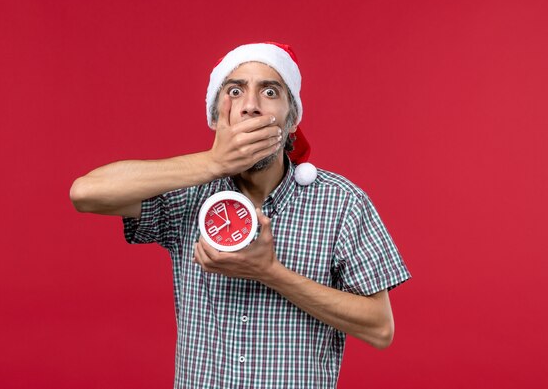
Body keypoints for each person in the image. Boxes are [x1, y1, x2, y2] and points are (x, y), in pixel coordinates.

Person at [70, 42, 411, 389]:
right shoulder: (188, 192)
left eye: (269, 91)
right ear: (217, 117)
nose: (250, 106)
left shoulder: (341, 203)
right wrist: (214, 163)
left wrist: (271, 273)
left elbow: (380, 328)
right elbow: (85, 194)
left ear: (292, 120)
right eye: (235, 91)